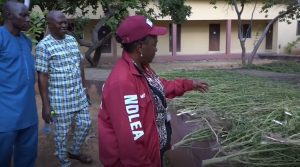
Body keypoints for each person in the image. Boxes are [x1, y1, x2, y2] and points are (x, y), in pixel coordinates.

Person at [98, 15, 209, 167]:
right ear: (140, 47)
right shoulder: (123, 83)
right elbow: (132, 145)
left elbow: (160, 87)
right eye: (154, 44)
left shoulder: (142, 68)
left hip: (153, 153)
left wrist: (189, 84)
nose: (156, 48)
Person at [35, 10, 92, 167]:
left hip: (79, 95)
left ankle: (74, 151)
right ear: (50, 25)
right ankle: (64, 162)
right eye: (59, 23)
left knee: (85, 124)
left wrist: (85, 87)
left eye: (65, 22)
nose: (63, 25)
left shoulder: (72, 40)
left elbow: (80, 65)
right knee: (61, 134)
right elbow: (42, 76)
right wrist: (46, 105)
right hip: (59, 100)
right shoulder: (43, 46)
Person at [0, 1, 38, 167]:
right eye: (23, 15)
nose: (28, 19)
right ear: (8, 15)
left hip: (28, 112)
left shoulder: (26, 41)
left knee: (27, 157)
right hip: (5, 115)